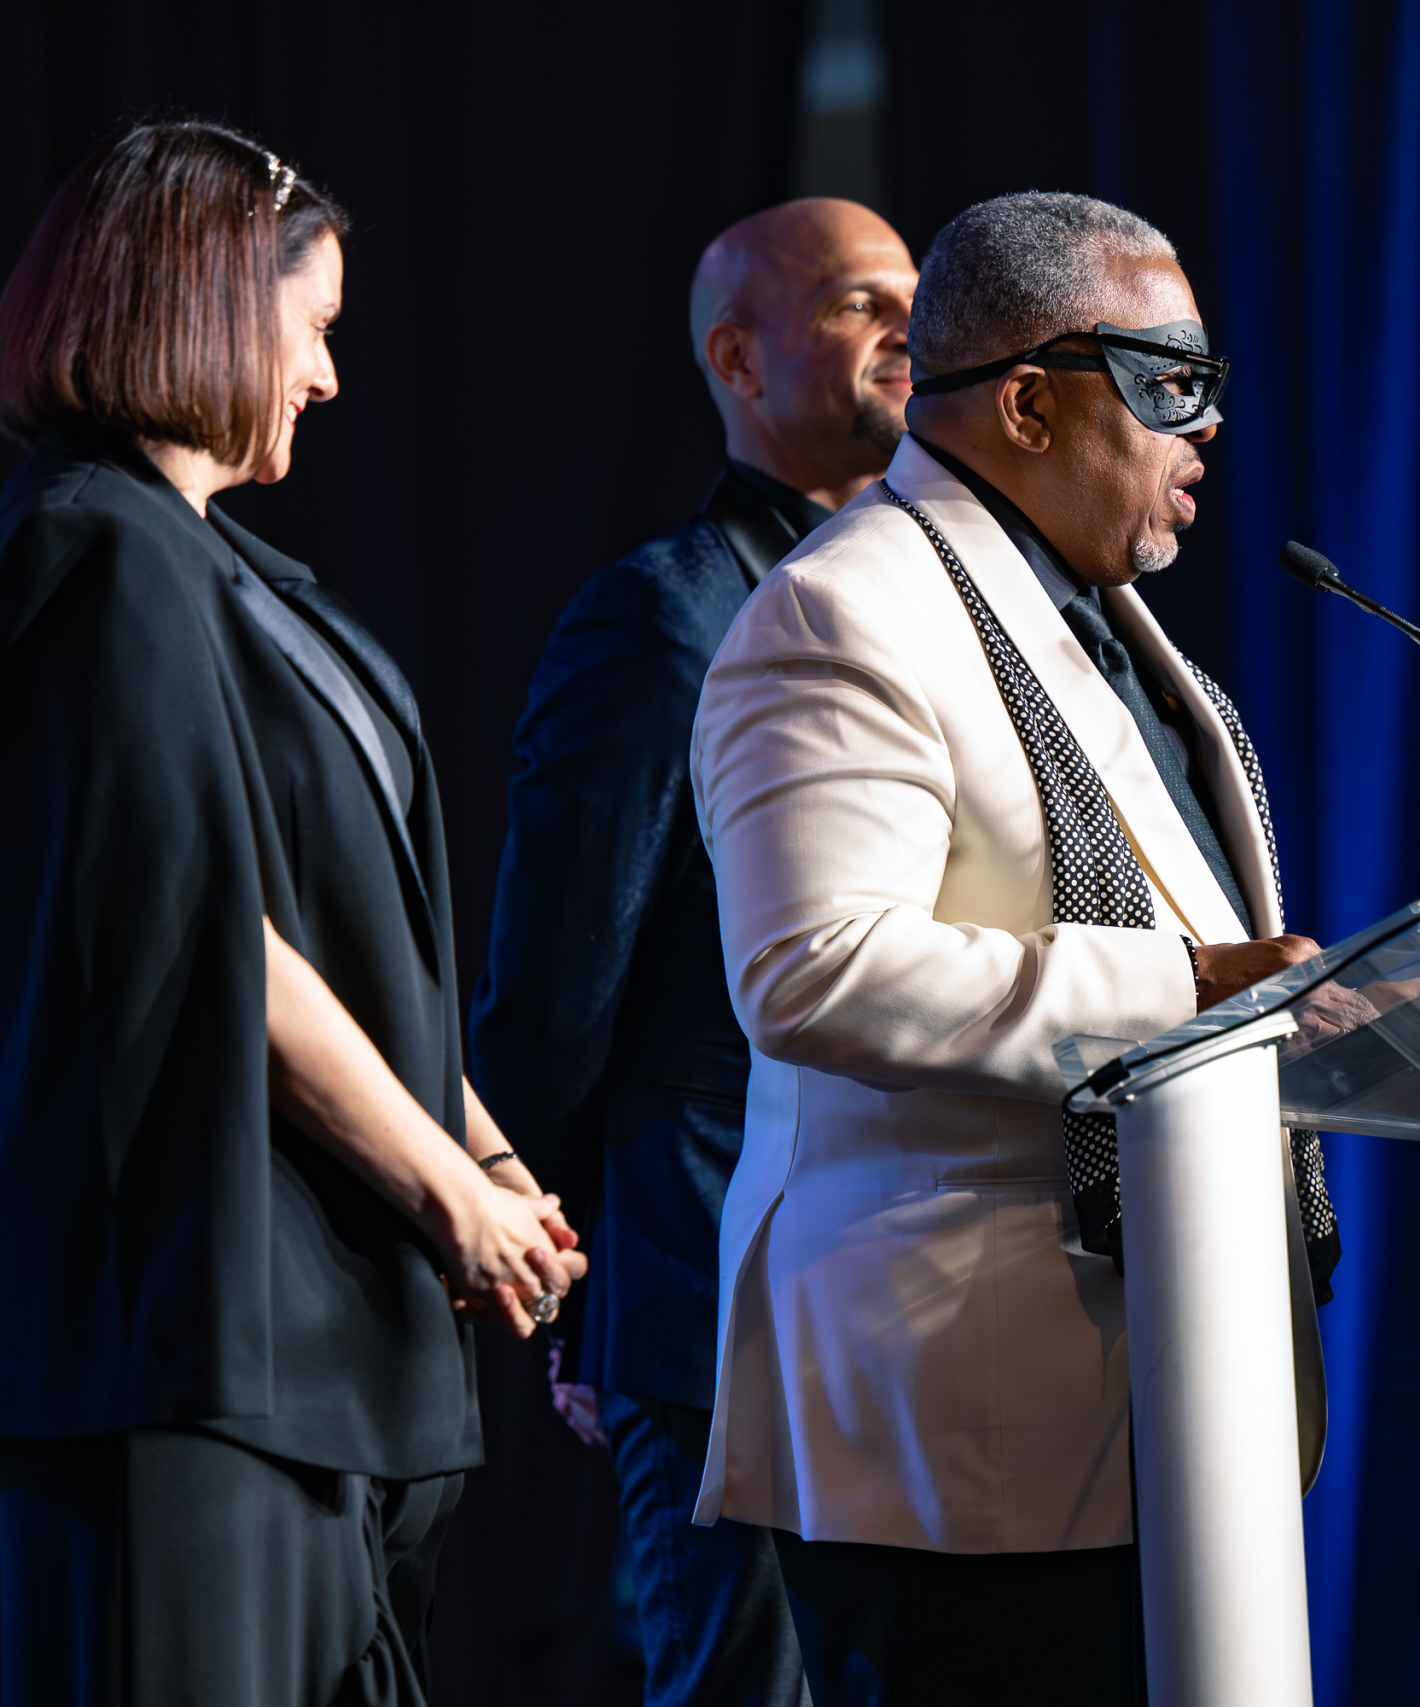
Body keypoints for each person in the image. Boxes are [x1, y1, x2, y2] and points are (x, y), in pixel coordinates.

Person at [0, 120, 583, 1707]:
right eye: (318, 326)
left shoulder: (228, 571)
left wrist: (480, 1153)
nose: (331, 377)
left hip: (317, 1347)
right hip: (193, 1327)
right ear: (211, 301)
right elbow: (205, 940)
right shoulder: (91, 546)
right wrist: (446, 1189)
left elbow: (348, 944)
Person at [687, 191, 1343, 1707]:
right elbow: (812, 969)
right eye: (1169, 381)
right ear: (1030, 403)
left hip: (1164, 1394)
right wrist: (1182, 992)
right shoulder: (839, 613)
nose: (1207, 429)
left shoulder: (1102, 621)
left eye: (1211, 384)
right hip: (964, 1436)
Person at [471, 197, 916, 1707]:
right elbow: (555, 987)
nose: (909, 330)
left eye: (916, 297)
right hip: (714, 1300)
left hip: (912, 1299)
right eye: (862, 302)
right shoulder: (668, 619)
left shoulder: (935, 618)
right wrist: (573, 1267)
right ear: (739, 357)